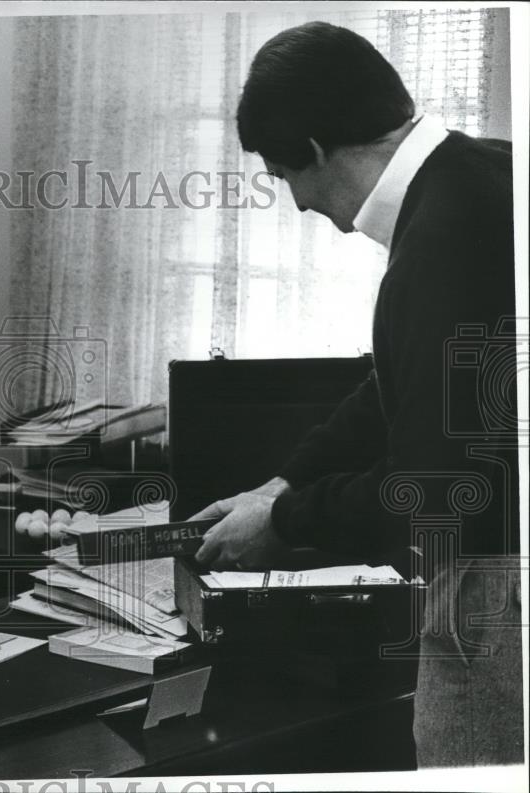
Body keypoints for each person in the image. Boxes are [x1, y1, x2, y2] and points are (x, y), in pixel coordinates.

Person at [191, 22, 521, 767]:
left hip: (493, 594)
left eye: (285, 177)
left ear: (312, 150)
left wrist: (283, 519)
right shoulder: (484, 176)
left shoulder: (439, 240)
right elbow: (393, 385)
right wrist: (286, 480)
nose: (300, 206)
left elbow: (438, 487)